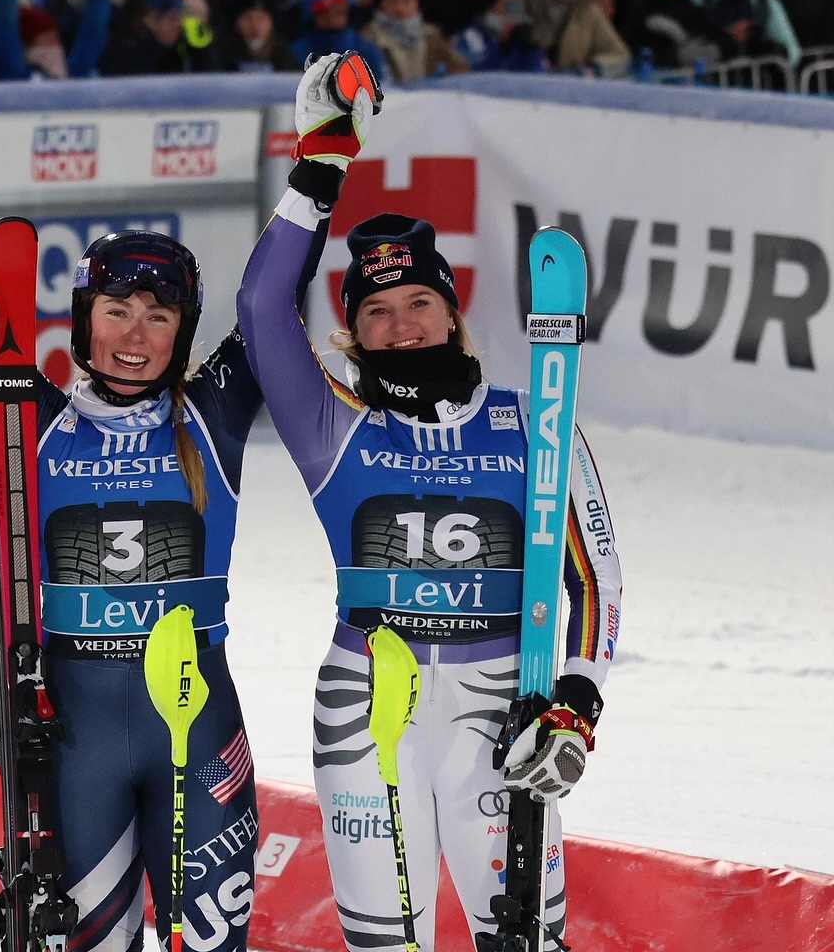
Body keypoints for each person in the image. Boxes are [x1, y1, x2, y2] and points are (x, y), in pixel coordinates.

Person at [236, 52, 624, 950]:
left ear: (453, 314)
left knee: (524, 938)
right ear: (352, 332)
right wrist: (322, 159)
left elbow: (596, 582)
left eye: (420, 301)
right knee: (386, 940)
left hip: (503, 702)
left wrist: (575, 697)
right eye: (376, 311)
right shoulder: (332, 428)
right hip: (366, 702)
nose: (401, 323)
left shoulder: (538, 422)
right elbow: (261, 307)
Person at [0, 214, 319, 950]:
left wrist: (318, 168)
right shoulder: (34, 420)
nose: (136, 337)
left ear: (183, 330)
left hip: (200, 729)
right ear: (83, 320)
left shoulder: (213, 413)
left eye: (159, 316)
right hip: (74, 737)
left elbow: (271, 299)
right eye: (116, 312)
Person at [362, 0, 471, 83]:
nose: (400, 9)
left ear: (417, 3)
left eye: (407, 1)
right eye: (392, 1)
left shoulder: (431, 36)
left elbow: (460, 68)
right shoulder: (369, 39)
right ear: (381, 4)